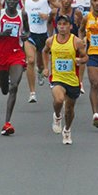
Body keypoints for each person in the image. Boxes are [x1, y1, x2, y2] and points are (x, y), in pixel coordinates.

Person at [0, 0, 30, 135]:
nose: (11, 2)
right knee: (4, 88)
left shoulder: (22, 15)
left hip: (16, 53)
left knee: (14, 86)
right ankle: (4, 85)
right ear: (6, 0)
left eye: (14, 0)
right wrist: (2, 34)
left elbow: (28, 32)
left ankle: (7, 123)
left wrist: (26, 36)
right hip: (1, 54)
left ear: (18, 1)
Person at [42, 15, 88, 144]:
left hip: (72, 80)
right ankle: (57, 116)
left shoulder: (76, 41)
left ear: (70, 26)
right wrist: (46, 68)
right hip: (57, 77)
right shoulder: (51, 41)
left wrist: (80, 60)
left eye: (65, 24)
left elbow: (85, 57)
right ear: (57, 26)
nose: (62, 27)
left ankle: (67, 130)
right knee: (58, 99)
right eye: (60, 24)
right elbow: (45, 52)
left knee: (69, 109)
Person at [22, 0, 60, 102]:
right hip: (30, 34)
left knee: (41, 63)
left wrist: (48, 15)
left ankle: (41, 71)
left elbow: (60, 9)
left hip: (44, 35)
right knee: (30, 61)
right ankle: (32, 93)